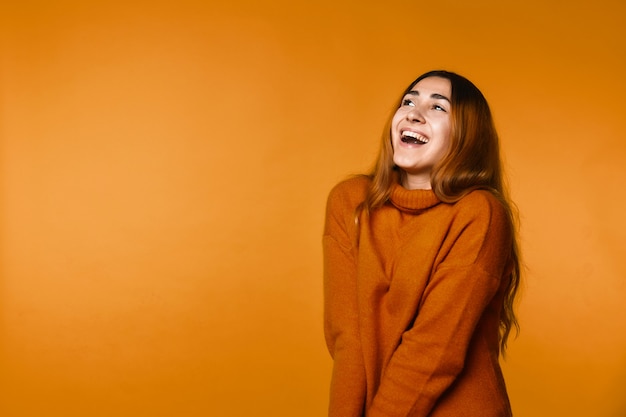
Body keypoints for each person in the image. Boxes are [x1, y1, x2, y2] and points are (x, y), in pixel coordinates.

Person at [322, 70, 521, 417]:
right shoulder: (350, 202)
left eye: (437, 108)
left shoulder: (480, 214)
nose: (414, 112)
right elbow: (348, 338)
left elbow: (434, 349)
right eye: (409, 101)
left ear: (467, 135)